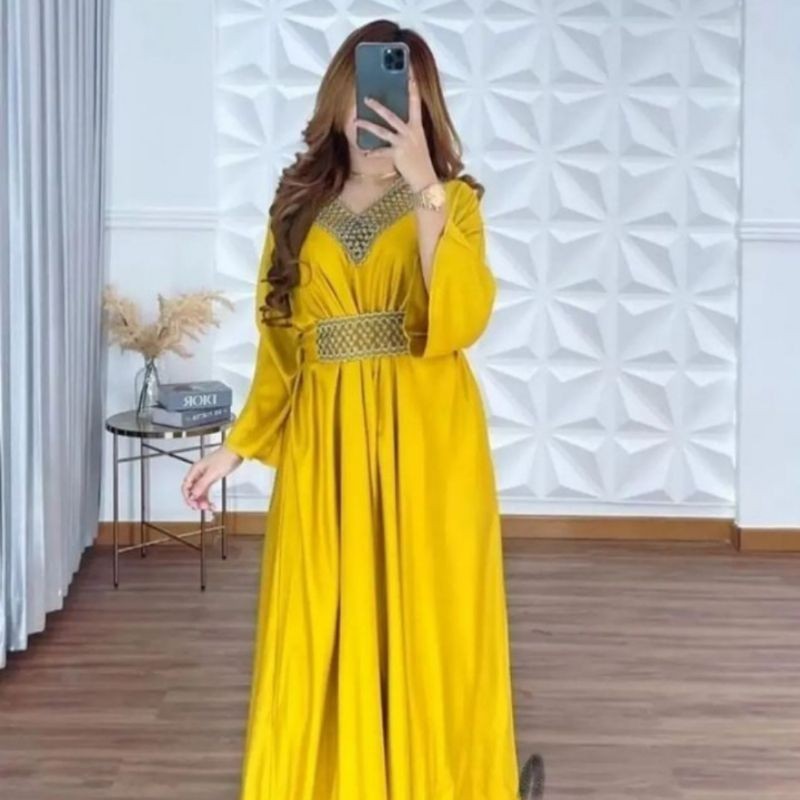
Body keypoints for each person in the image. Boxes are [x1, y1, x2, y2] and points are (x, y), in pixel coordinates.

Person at [181, 18, 545, 800]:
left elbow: (461, 318)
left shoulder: (452, 201)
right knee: (321, 621)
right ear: (338, 96)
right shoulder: (295, 208)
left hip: (429, 443)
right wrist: (236, 446)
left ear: (424, 105)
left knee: (431, 625)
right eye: (366, 90)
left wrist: (424, 188)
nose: (376, 110)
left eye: (400, 95)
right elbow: (283, 344)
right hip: (326, 450)